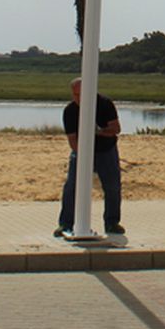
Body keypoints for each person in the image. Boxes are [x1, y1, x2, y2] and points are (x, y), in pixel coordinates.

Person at [55, 78, 123, 237]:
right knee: (72, 187)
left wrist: (98, 131)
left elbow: (116, 128)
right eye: (75, 95)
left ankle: (112, 223)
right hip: (81, 152)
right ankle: (65, 223)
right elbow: (72, 140)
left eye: (82, 95)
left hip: (106, 151)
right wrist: (83, 156)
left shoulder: (105, 104)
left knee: (112, 186)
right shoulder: (70, 111)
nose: (78, 99)